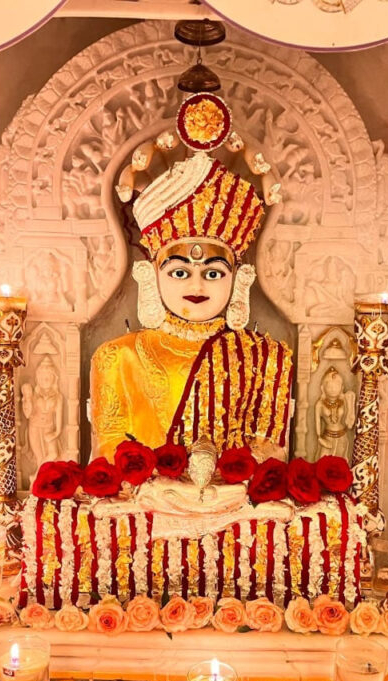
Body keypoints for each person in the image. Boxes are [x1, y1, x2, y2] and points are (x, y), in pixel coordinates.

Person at [89, 93, 293, 462]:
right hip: (147, 494)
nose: (196, 286)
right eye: (180, 272)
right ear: (151, 274)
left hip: (233, 496)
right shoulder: (118, 357)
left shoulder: (265, 358)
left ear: (239, 278)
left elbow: (270, 461)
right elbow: (107, 455)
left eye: (213, 273)